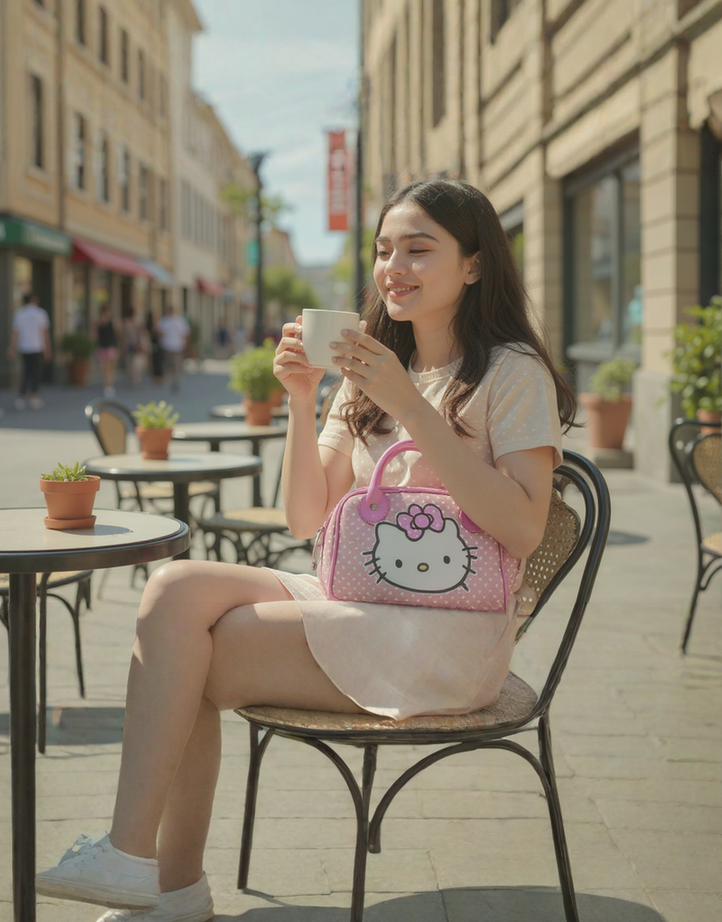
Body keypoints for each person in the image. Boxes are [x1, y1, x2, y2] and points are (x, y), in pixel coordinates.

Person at [35, 179, 576, 918]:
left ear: (474, 266)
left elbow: (523, 527)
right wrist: (300, 396)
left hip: (451, 636)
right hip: (364, 601)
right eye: (385, 250)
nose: (394, 268)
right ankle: (140, 864)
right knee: (173, 591)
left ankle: (162, 882)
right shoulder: (368, 369)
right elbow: (303, 517)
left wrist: (412, 406)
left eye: (420, 250)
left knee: (190, 653)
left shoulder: (511, 371)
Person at [7, 292, 51, 409]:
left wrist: (12, 347)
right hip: (37, 347)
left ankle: (22, 397)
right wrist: (47, 349)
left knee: (26, 372)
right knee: (36, 372)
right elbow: (45, 333)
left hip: (24, 347)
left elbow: (15, 333)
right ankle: (34, 396)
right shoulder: (40, 313)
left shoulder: (19, 314)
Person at [156, 305, 190, 391]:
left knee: (175, 364)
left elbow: (185, 333)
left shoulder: (178, 321)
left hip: (176, 346)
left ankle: (175, 379)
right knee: (170, 364)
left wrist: (184, 344)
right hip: (168, 346)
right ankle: (172, 378)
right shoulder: (164, 321)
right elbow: (159, 332)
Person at [95, 304, 120, 397]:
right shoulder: (113, 321)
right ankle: (110, 386)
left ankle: (108, 386)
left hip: (103, 347)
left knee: (105, 369)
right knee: (110, 369)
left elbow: (94, 336)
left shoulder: (99, 322)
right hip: (111, 347)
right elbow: (118, 333)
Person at [122, 306, 148, 387]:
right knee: (132, 363)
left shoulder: (129, 323)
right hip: (132, 344)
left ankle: (133, 379)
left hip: (132, 344)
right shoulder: (131, 323)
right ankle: (134, 379)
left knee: (132, 363)